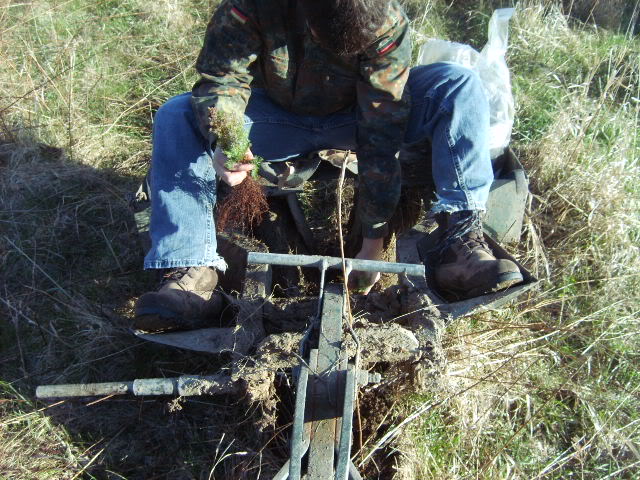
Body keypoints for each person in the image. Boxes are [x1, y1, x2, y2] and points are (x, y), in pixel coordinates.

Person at [134, 0, 523, 328]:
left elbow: (381, 132)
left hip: (355, 118)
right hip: (276, 118)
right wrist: (229, 140)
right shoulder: (250, 6)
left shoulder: (383, 18)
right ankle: (191, 269)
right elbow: (222, 81)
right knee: (176, 115)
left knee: (457, 84)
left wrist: (371, 244)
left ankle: (459, 243)